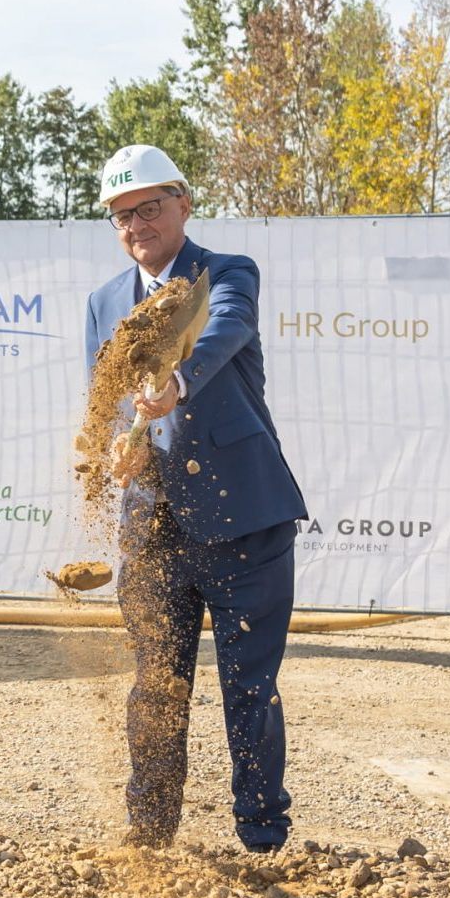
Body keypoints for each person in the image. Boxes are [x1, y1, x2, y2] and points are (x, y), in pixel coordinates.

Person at [87, 145, 306, 851]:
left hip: (244, 516)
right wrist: (113, 449)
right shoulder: (103, 303)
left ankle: (263, 836)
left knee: (250, 687)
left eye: (150, 206)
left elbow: (225, 327)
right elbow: (105, 402)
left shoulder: (226, 273)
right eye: (122, 214)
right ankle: (150, 836)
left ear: (183, 203)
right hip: (152, 524)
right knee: (155, 684)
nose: (137, 224)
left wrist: (178, 382)